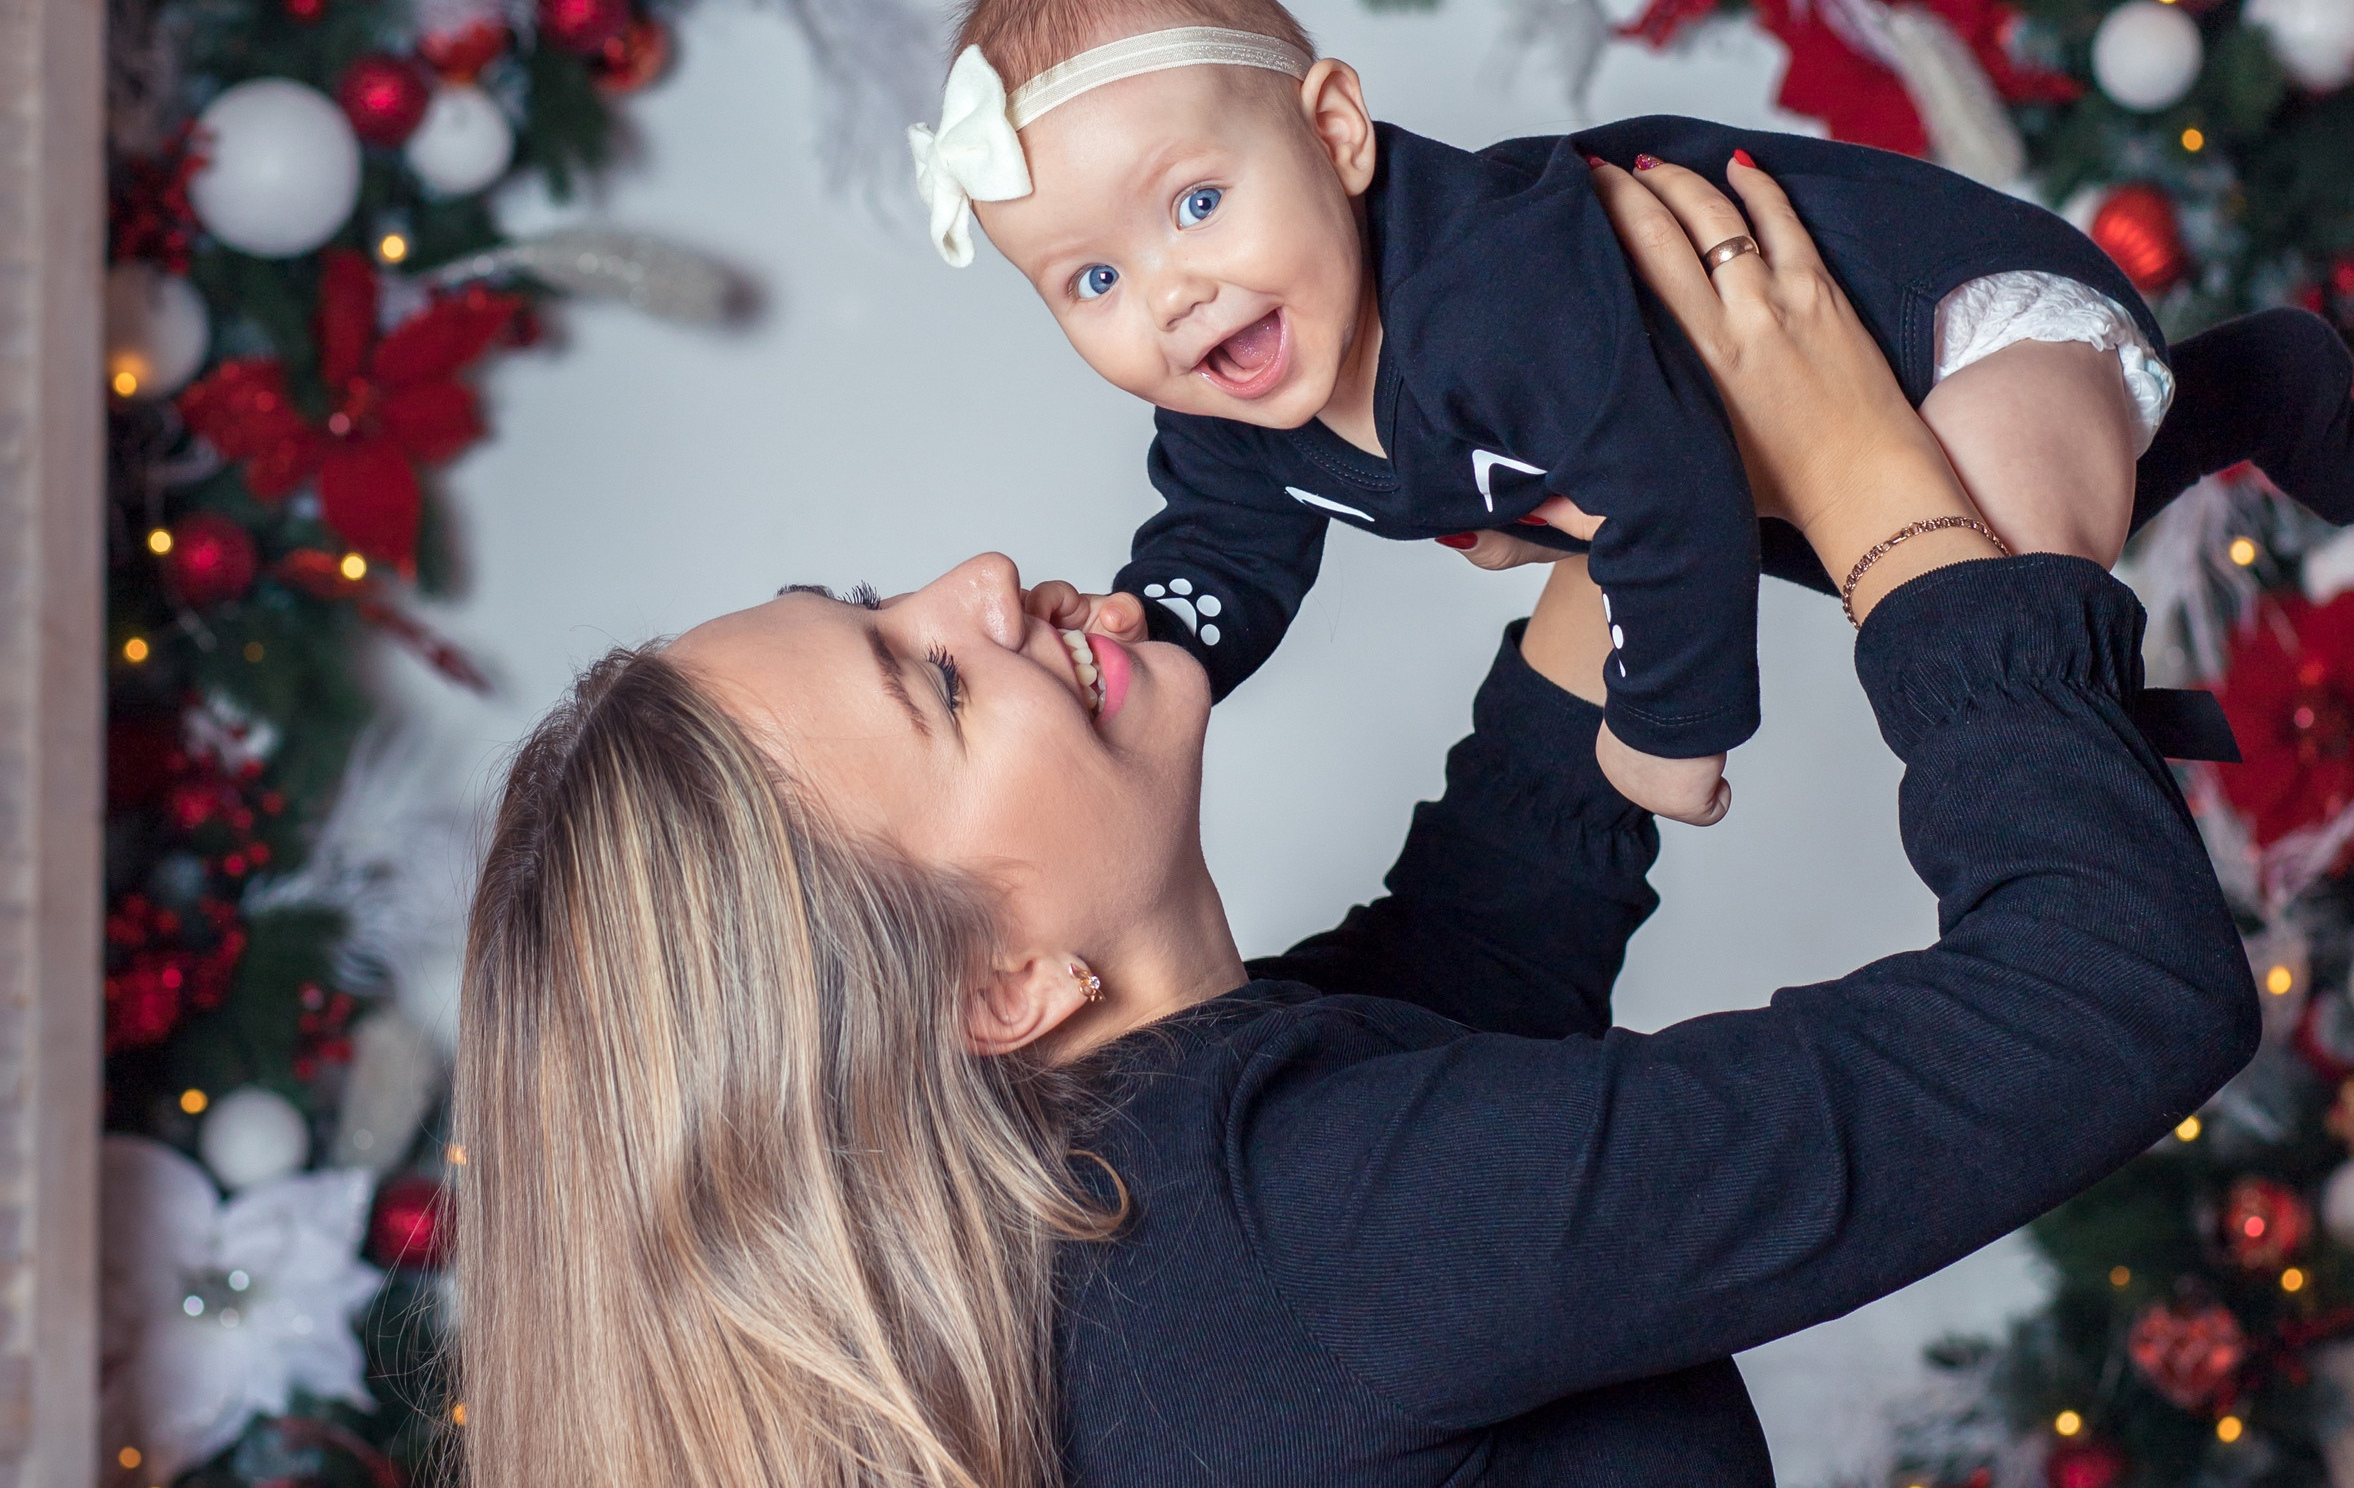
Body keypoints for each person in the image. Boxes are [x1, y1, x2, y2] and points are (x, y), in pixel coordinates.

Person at [453, 155, 2263, 1488]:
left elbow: (1483, 947)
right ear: (998, 985)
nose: (980, 579)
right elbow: (2107, 991)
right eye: (926, 678)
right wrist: (1882, 497)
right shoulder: (1309, 1238)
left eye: (881, 596)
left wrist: (1635, 479)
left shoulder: (1149, 1194)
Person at [907, 0, 2354, 825]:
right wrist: (1153, 645)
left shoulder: (1495, 287)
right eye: (1092, 278)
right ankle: (2251, 384)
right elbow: (1223, 549)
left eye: (1196, 203)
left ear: (1336, 131)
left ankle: (2197, 478)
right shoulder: (1235, 408)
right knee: (1930, 539)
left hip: (1935, 320)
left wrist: (1667, 723)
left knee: (1985, 574)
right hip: (1795, 456)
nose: (1168, 295)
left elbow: (1672, 492)